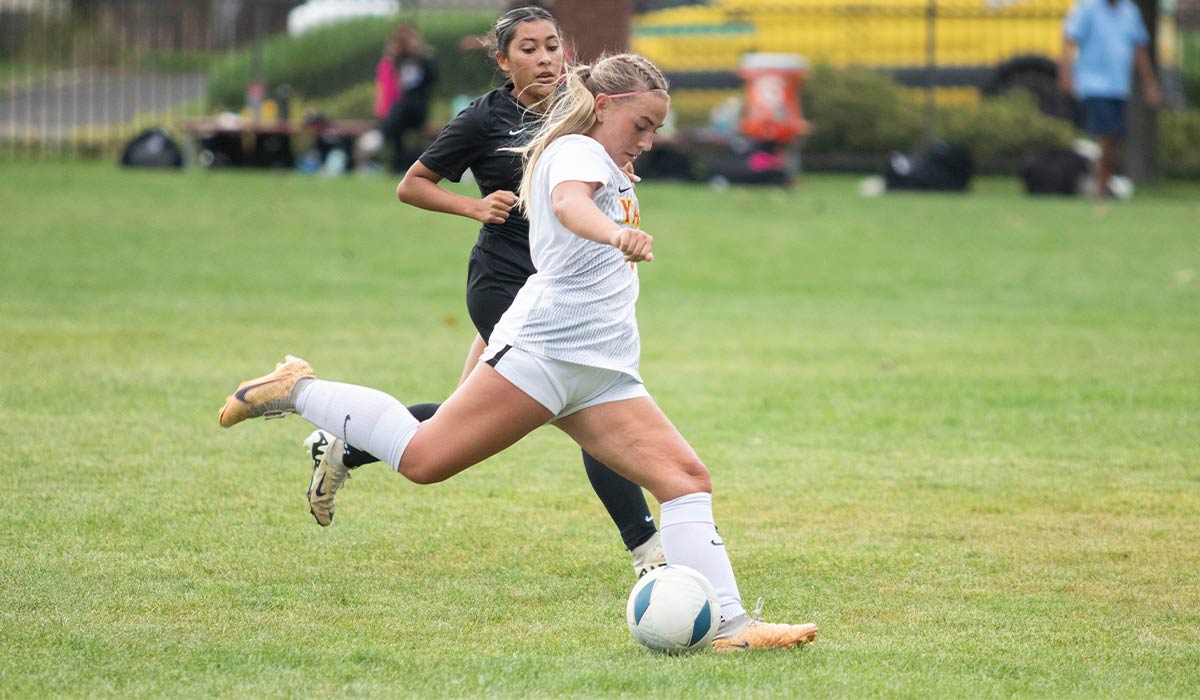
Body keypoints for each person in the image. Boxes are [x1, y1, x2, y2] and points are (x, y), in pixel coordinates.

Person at [219, 52, 819, 652]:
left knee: (685, 480)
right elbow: (568, 206)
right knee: (425, 460)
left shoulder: (598, 156)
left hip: (602, 369)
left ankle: (732, 629)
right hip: (546, 355)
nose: (648, 141)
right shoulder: (579, 152)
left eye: (656, 130)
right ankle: (295, 388)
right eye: (641, 126)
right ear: (604, 108)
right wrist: (614, 231)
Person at [308, 5, 665, 579]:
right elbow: (412, 185)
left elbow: (599, 169)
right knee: (589, 406)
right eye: (528, 49)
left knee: (462, 419)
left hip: (563, 289)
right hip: (505, 284)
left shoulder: (583, 105)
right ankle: (648, 552)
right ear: (502, 60)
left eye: (552, 45)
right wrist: (474, 205)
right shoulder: (483, 120)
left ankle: (347, 443)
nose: (545, 57)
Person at [1058, 0, 1161, 198]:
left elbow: (1139, 47)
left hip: (1118, 85)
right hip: (1092, 83)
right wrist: (1065, 73)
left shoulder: (1130, 10)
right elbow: (1069, 38)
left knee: (1112, 138)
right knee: (1105, 135)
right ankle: (1100, 188)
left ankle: (1101, 183)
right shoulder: (1087, 8)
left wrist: (1149, 82)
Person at [378, 24, 438, 173]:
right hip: (404, 102)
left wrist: (418, 52)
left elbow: (432, 77)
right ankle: (397, 165)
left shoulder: (425, 57)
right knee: (395, 130)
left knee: (406, 129)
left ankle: (407, 163)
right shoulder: (399, 58)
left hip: (417, 103)